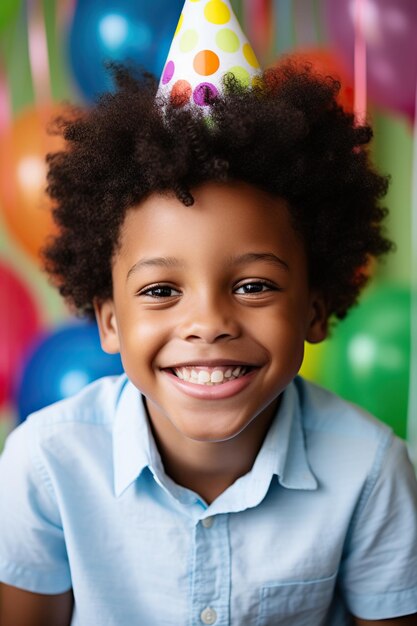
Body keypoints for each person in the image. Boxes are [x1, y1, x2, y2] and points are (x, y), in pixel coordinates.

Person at [1, 28, 417, 626]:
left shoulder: (371, 471)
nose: (209, 323)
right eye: (161, 291)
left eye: (253, 286)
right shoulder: (44, 464)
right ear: (111, 320)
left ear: (316, 310)